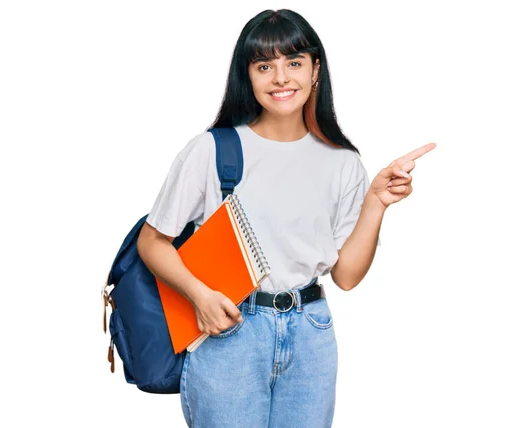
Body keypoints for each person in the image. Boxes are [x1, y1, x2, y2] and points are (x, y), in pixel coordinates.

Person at [137, 8, 436, 428]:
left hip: (311, 333)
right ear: (249, 76)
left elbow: (347, 276)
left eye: (293, 63)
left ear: (316, 71)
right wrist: (199, 296)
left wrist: (376, 203)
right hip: (230, 332)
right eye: (265, 66)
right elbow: (152, 242)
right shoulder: (211, 150)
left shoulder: (343, 162)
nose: (280, 78)